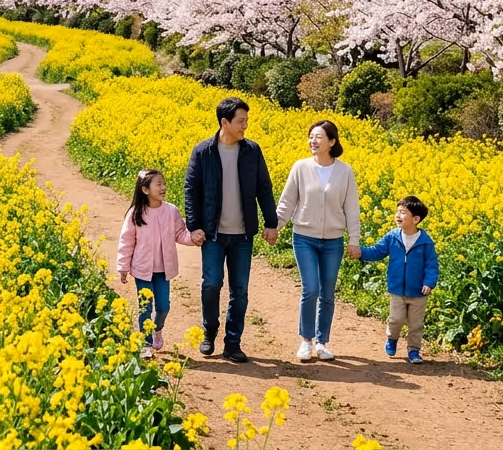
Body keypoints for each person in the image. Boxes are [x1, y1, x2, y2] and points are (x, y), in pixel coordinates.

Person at [184, 97, 278, 363]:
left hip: (242, 234)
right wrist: (194, 226)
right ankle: (209, 331)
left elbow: (264, 187)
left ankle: (233, 342)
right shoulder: (203, 151)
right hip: (213, 233)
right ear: (224, 122)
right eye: (241, 121)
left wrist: (271, 223)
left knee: (240, 290)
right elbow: (191, 191)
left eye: (246, 121)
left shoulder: (252, 150)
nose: (245, 126)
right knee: (211, 284)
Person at [275, 119, 360, 362]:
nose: (313, 141)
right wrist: (276, 227)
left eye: (319, 137)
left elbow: (352, 209)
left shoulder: (345, 171)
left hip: (333, 240)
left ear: (332, 142)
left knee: (328, 293)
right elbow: (287, 201)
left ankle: (322, 342)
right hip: (304, 237)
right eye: (311, 136)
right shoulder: (300, 167)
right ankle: (306, 340)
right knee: (310, 288)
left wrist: (354, 239)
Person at [117, 169, 204, 358]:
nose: (163, 187)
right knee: (145, 307)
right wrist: (123, 266)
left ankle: (158, 329)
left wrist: (193, 238)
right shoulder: (135, 213)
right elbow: (126, 241)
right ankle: (145, 344)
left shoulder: (171, 211)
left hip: (163, 270)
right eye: (158, 184)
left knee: (164, 307)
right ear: (145, 190)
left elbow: (180, 233)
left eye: (163, 183)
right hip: (142, 270)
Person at [356, 195, 439, 364]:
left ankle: (414, 351)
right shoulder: (392, 237)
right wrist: (361, 252)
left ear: (416, 219)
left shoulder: (425, 242)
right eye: (397, 211)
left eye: (403, 212)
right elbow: (377, 251)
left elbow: (432, 265)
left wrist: (429, 283)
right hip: (397, 289)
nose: (397, 215)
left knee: (416, 324)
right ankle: (392, 338)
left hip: (418, 292)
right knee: (396, 319)